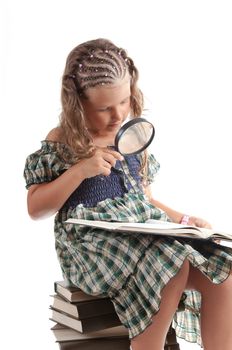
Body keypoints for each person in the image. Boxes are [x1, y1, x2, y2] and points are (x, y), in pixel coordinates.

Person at [24, 38, 232, 350]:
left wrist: (186, 220)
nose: (118, 114)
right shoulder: (64, 141)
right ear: (77, 102)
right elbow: (35, 208)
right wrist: (80, 170)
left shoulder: (131, 135)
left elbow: (144, 200)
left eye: (124, 101)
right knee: (171, 266)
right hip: (89, 241)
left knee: (221, 267)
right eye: (104, 108)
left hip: (139, 230)